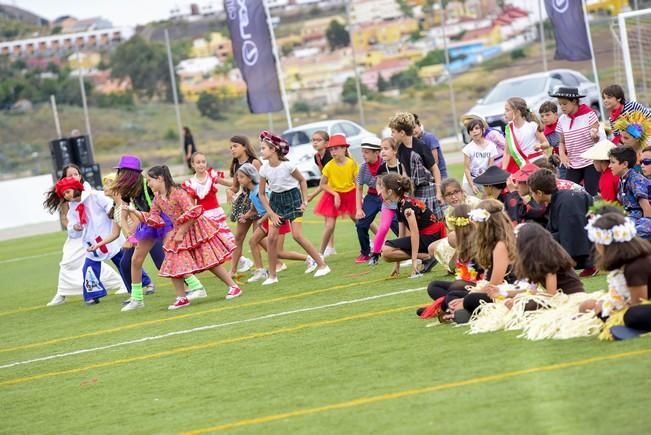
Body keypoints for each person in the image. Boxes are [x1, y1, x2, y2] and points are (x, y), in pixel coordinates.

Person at [125, 166, 241, 310]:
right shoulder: (158, 198)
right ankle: (181, 297)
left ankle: (233, 287)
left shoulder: (178, 193)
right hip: (178, 230)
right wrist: (134, 211)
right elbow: (153, 217)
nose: (148, 184)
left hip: (195, 228)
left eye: (150, 180)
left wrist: (181, 232)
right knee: (173, 261)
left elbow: (192, 212)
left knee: (209, 260)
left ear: (160, 179)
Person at [111, 155, 206, 312]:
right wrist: (129, 234)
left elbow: (159, 204)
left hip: (161, 222)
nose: (118, 175)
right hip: (148, 223)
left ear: (129, 172)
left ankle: (196, 287)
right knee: (136, 260)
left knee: (169, 258)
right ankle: (137, 299)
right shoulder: (128, 189)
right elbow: (125, 210)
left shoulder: (146, 184)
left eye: (121, 171)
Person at [44, 164, 126, 306]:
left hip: (105, 235)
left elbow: (110, 207)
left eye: (76, 174)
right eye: (70, 175)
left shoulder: (93, 194)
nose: (74, 177)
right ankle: (81, 294)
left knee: (121, 260)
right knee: (75, 264)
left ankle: (139, 282)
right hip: (84, 238)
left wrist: (110, 215)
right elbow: (68, 220)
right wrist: (74, 227)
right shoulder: (69, 200)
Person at [258, 130, 330, 284]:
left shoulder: (288, 165)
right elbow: (262, 194)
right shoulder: (263, 169)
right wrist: (271, 213)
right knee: (271, 238)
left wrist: (304, 201)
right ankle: (272, 276)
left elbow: (302, 181)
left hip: (293, 198)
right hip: (275, 202)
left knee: (297, 235)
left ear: (274, 150)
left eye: (263, 148)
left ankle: (322, 265)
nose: (261, 151)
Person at [579, 213, 651, 340]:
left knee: (633, 314)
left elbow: (639, 303)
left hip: (641, 306)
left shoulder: (636, 266)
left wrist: (611, 308)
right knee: (595, 306)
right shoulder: (626, 263)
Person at [235, 163, 311, 283]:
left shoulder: (261, 190)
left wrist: (261, 219)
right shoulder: (252, 191)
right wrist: (246, 216)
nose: (238, 179)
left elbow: (273, 207)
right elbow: (254, 209)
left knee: (278, 253)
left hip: (277, 219)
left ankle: (309, 258)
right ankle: (260, 271)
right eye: (238, 177)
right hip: (268, 220)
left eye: (241, 177)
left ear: (250, 177)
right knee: (253, 241)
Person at [528, 168, 596, 276]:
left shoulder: (566, 202)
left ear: (539, 193)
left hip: (591, 239)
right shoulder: (560, 198)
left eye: (532, 193)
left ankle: (590, 263)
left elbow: (571, 235)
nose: (531, 196)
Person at [420, 203, 483, 320]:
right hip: (465, 285)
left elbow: (479, 271)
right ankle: (450, 307)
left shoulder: (479, 240)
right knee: (433, 286)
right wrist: (458, 249)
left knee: (455, 288)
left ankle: (446, 307)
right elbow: (453, 267)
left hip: (479, 285)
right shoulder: (460, 241)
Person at [457, 199, 518, 319]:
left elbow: (495, 283)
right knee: (454, 294)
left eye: (477, 221)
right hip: (494, 289)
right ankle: (462, 311)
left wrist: (465, 299)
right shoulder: (492, 242)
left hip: (505, 291)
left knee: (469, 299)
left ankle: (462, 311)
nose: (475, 224)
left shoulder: (501, 245)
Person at [100, 172, 155, 301]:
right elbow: (115, 234)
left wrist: (130, 239)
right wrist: (98, 245)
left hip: (143, 236)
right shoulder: (115, 208)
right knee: (125, 264)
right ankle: (134, 295)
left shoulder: (126, 205)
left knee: (161, 261)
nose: (104, 188)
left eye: (108, 184)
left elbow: (137, 222)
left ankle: (190, 287)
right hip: (134, 240)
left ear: (117, 186)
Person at [380, 173, 445, 279]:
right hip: (425, 236)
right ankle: (426, 257)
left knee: (386, 250)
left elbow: (414, 233)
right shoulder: (400, 204)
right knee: (386, 254)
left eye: (382, 187)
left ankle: (427, 256)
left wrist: (414, 261)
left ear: (390, 191)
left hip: (431, 237)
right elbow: (401, 236)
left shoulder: (407, 207)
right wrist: (397, 264)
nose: (380, 191)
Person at [550, 86, 604, 196]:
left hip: (591, 162)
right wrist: (562, 154)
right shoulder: (562, 120)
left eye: (564, 104)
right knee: (569, 193)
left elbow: (597, 138)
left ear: (574, 101)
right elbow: (561, 142)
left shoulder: (589, 114)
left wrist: (595, 135)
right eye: (560, 104)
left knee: (591, 194)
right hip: (573, 164)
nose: (562, 107)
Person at [388, 112, 444, 215]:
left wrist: (438, 192)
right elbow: (405, 171)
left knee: (436, 221)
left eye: (393, 132)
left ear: (402, 133)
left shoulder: (421, 147)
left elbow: (435, 170)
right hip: (414, 190)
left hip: (428, 188)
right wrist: (404, 188)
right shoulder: (400, 149)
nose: (391, 135)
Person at [314, 133, 359, 256]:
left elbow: (357, 182)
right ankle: (320, 254)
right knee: (329, 226)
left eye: (336, 148)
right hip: (332, 196)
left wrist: (361, 196)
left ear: (344, 148)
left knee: (362, 221)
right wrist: (335, 194)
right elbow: (322, 184)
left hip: (350, 194)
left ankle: (379, 242)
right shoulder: (329, 166)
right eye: (331, 149)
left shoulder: (351, 163)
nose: (333, 152)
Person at [514, 223, 584, 296]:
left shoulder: (548, 259)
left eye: (516, 236)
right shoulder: (535, 259)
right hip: (559, 295)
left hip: (570, 295)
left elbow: (551, 294)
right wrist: (507, 294)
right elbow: (532, 290)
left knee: (528, 304)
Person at [427, 178, 481, 272]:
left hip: (480, 236)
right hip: (462, 242)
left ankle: (471, 262)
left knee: (452, 237)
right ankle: (457, 265)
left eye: (456, 192)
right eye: (448, 194)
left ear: (462, 192)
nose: (453, 197)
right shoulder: (448, 212)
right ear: (444, 198)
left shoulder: (474, 203)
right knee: (432, 248)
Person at [183, 152, 234, 245]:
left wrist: (240, 181)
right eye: (198, 162)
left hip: (216, 213)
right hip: (203, 218)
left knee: (227, 240)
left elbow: (228, 183)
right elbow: (192, 207)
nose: (201, 164)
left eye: (203, 162)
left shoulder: (211, 175)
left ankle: (241, 259)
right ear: (192, 164)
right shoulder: (191, 184)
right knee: (212, 245)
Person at [225, 136, 259, 276]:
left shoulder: (255, 162)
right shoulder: (235, 165)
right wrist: (229, 191)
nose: (232, 149)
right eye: (231, 147)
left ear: (244, 147)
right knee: (238, 237)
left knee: (258, 238)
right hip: (244, 202)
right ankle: (232, 270)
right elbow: (235, 186)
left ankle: (272, 264)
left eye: (235, 146)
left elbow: (262, 182)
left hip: (257, 201)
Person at [368, 137, 402, 266]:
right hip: (388, 203)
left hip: (402, 203)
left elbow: (407, 182)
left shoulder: (401, 165)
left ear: (394, 151)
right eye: (381, 148)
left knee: (404, 229)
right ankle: (376, 254)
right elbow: (378, 184)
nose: (383, 151)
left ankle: (407, 252)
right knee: (383, 228)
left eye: (386, 148)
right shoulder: (382, 167)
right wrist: (381, 195)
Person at [609, 145, 651, 239]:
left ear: (624, 164)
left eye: (612, 162)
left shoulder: (635, 180)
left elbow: (647, 210)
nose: (609, 166)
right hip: (630, 219)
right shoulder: (622, 179)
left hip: (640, 221)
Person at [307, 130, 337, 257]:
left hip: (340, 188)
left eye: (318, 140)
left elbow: (329, 180)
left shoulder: (331, 156)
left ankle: (376, 239)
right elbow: (323, 178)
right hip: (330, 189)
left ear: (326, 143)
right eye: (313, 140)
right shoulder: (317, 157)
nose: (315, 142)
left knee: (357, 218)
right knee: (328, 218)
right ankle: (330, 247)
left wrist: (312, 195)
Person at [354, 137, 383, 263]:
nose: (363, 155)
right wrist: (359, 208)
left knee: (395, 222)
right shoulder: (363, 167)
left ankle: (403, 247)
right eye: (362, 151)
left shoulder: (384, 164)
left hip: (386, 197)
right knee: (361, 224)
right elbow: (359, 188)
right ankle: (365, 252)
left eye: (366, 152)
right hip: (371, 197)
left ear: (376, 152)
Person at [502, 97, 548, 174]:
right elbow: (507, 153)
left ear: (517, 112)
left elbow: (546, 143)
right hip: (524, 167)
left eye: (507, 110)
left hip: (538, 164)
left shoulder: (532, 125)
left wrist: (540, 146)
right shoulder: (508, 128)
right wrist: (503, 170)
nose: (504, 113)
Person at [462, 118, 499, 195]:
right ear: (469, 134)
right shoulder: (467, 149)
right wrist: (472, 185)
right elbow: (467, 169)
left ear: (483, 130)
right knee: (467, 201)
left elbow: (490, 166)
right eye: (471, 130)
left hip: (484, 178)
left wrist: (488, 181)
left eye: (477, 128)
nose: (474, 131)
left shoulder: (491, 146)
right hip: (470, 179)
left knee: (491, 198)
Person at [413, 113, 447, 179]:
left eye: (414, 127)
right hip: (427, 176)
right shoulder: (415, 142)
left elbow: (435, 161)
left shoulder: (429, 137)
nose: (413, 131)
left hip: (439, 174)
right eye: (410, 129)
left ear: (419, 125)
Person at [538, 101, 565, 178]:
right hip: (559, 160)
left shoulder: (563, 124)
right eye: (542, 116)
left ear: (556, 115)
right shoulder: (545, 132)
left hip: (572, 155)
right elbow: (546, 147)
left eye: (547, 115)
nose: (544, 118)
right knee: (564, 179)